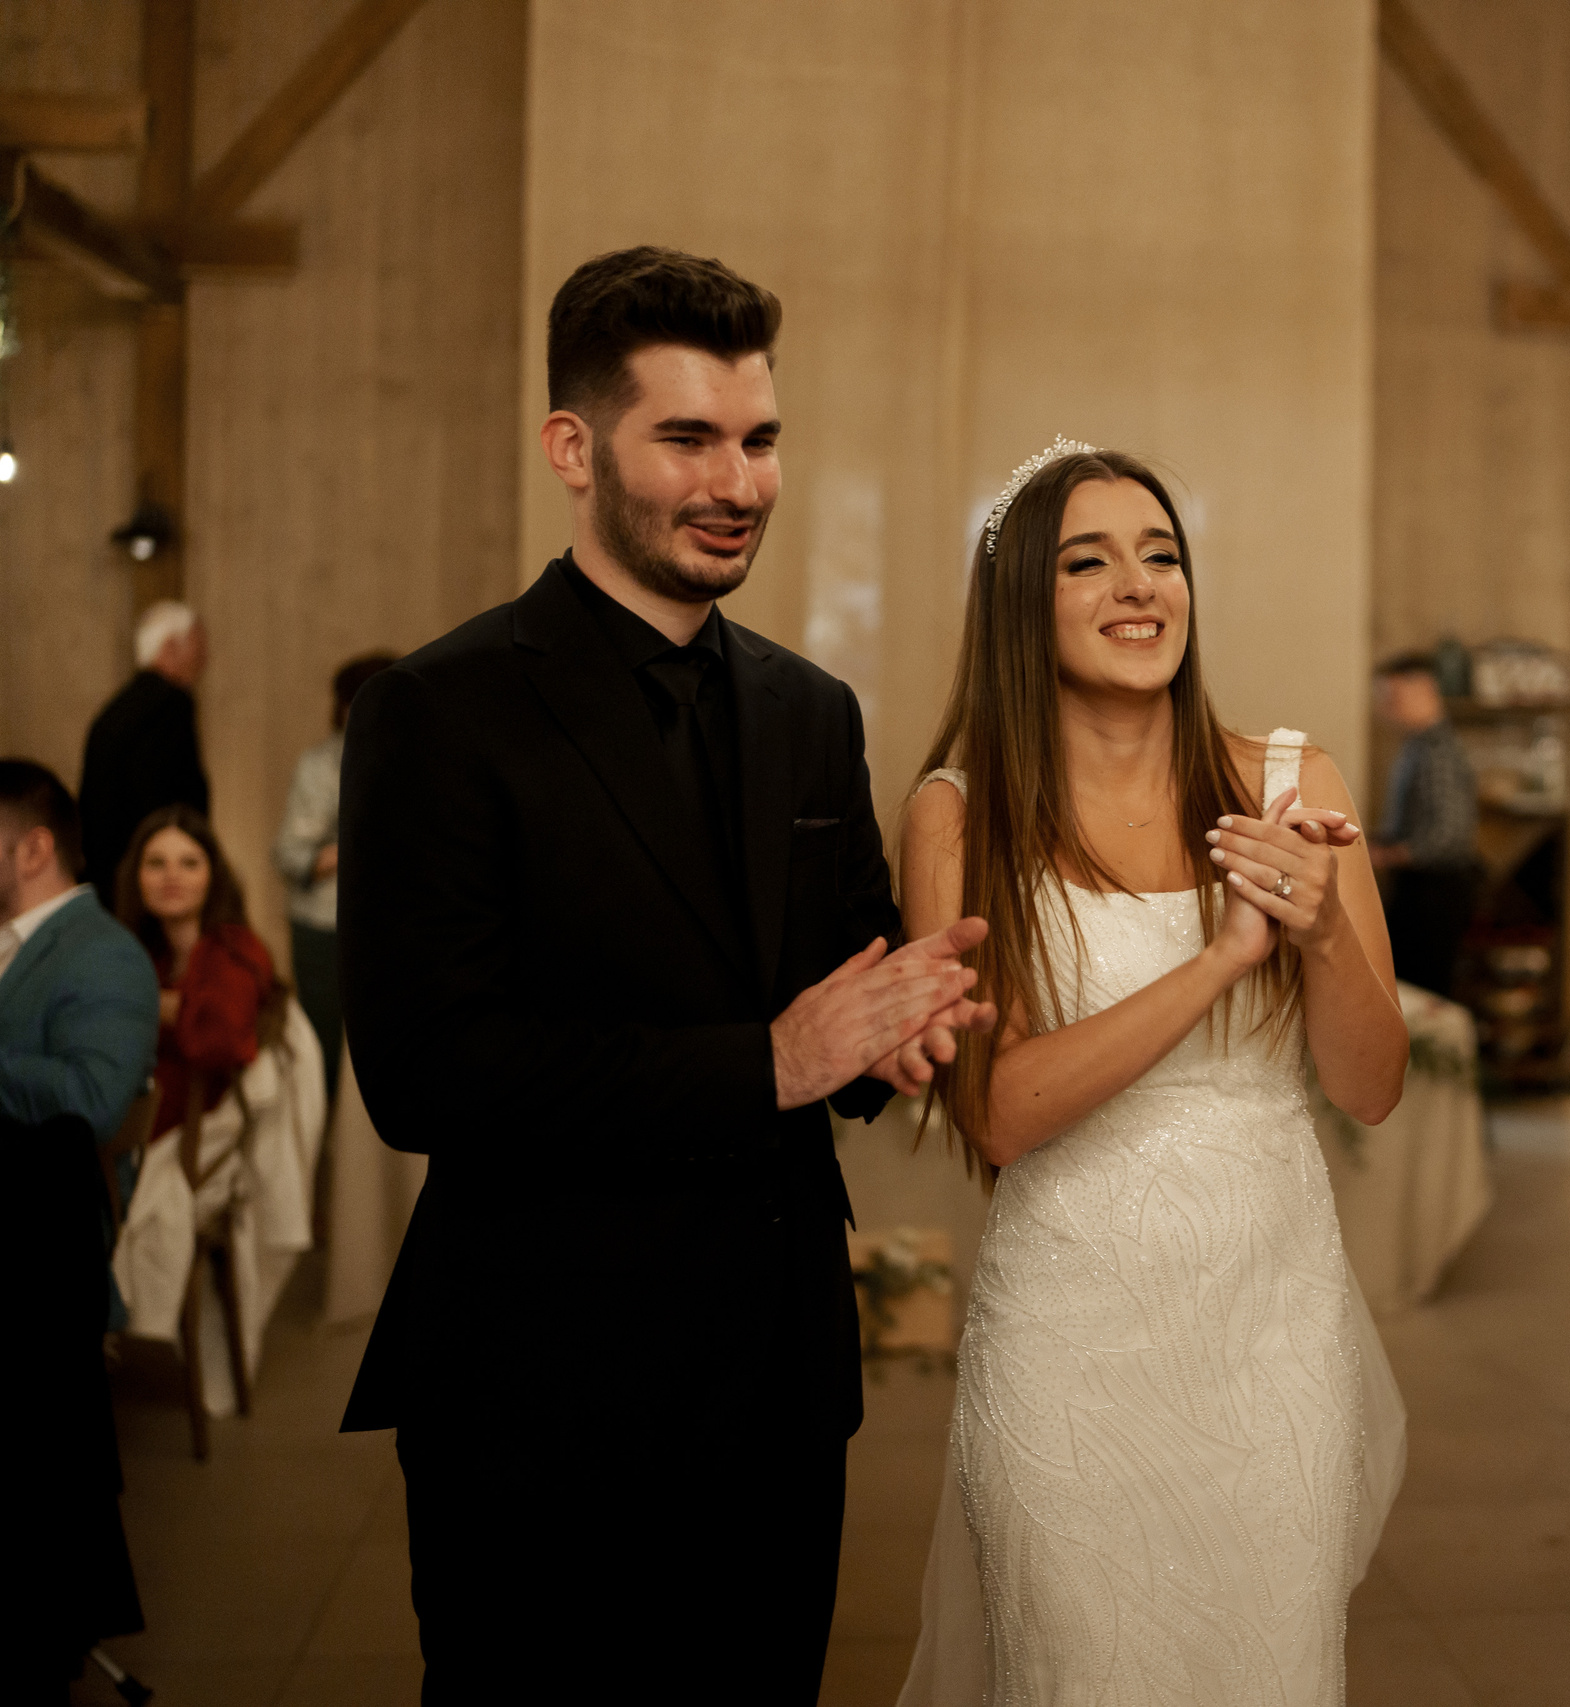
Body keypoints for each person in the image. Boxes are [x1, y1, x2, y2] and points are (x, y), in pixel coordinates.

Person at [334, 247, 996, 1703]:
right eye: (687, 437)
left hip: (774, 1376)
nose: (739, 480)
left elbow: (855, 973)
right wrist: (767, 1061)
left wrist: (908, 1029)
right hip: (539, 1382)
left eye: (759, 438)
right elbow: (422, 1066)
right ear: (574, 447)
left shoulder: (812, 711)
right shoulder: (438, 711)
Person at [895, 441, 1406, 1706]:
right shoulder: (959, 816)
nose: (1140, 586)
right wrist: (1225, 958)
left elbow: (1372, 1083)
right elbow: (997, 1111)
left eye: (1161, 555)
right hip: (1067, 1333)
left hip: (1268, 1320)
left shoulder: (1293, 783)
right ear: (1022, 598)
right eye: (1089, 560)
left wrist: (1322, 928)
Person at [0, 761, 157, 1698]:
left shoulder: (99, 953)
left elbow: (96, 1102)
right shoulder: (15, 943)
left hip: (39, 1262)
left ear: (32, 847)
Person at [273, 652, 396, 1101]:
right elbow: (291, 854)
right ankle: (321, 1163)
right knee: (325, 1054)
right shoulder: (321, 766)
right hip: (328, 927)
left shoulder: (414, 753)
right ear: (347, 706)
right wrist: (370, 842)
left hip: (393, 926)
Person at [113, 806, 278, 1140]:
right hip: (139, 1130)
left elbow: (222, 1040)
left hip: (205, 1142)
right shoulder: (145, 954)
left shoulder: (234, 948)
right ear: (137, 876)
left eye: (189, 863)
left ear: (212, 876)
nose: (172, 876)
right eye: (156, 863)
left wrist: (156, 1005)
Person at [79, 600, 211, 889]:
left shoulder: (121, 707)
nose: (205, 657)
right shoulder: (169, 705)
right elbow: (165, 801)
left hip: (109, 872)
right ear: (170, 647)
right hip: (146, 878)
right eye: (198, 645)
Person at [1371, 651, 1478, 996]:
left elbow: (1449, 837)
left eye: (1394, 697)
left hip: (1434, 893)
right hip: (1418, 889)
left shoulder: (1438, 751)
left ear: (1425, 689)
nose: (1387, 708)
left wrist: (1385, 856)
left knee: (1425, 993)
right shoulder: (1418, 746)